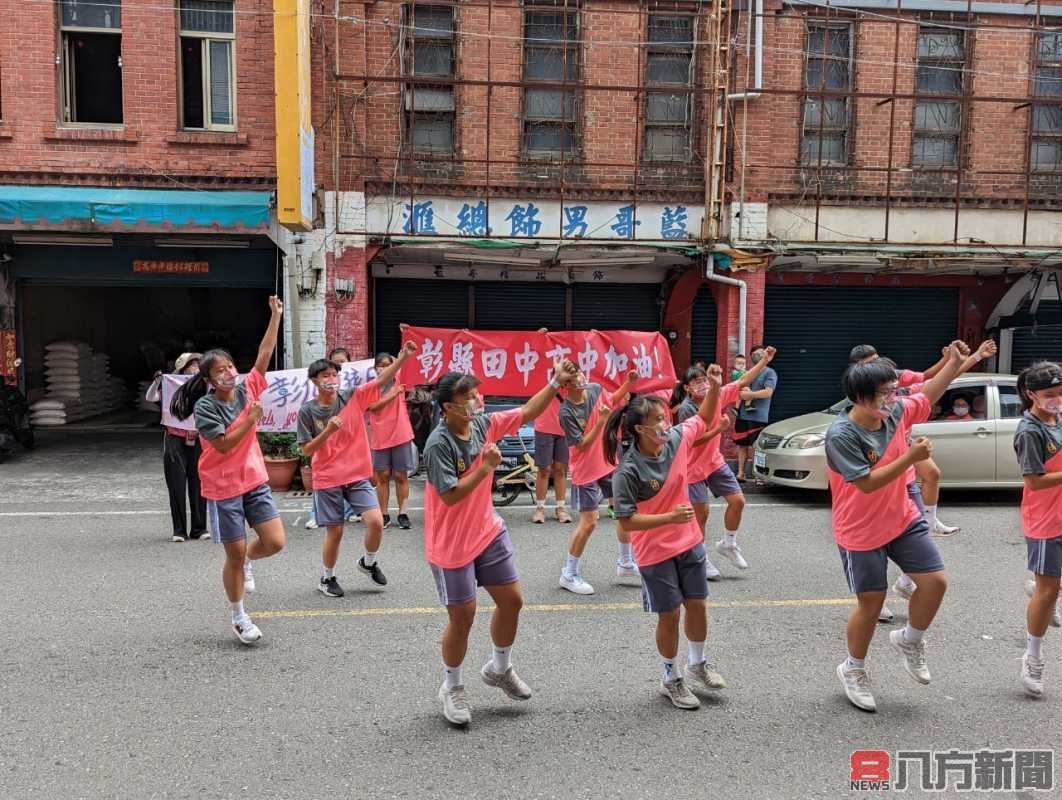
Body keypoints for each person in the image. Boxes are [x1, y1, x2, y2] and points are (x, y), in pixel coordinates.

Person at [424, 358, 579, 726]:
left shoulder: (482, 424)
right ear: (447, 407)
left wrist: (555, 383)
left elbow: (527, 411)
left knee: (512, 602)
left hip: (487, 531)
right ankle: (452, 687)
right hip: (451, 544)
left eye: (476, 392)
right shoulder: (438, 444)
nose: (477, 400)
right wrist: (484, 467)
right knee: (462, 618)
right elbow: (449, 496)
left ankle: (499, 667)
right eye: (468, 396)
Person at [826, 344, 964, 712]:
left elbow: (929, 392)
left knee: (935, 582)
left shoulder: (895, 410)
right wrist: (910, 456)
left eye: (893, 390)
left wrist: (952, 363)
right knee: (870, 605)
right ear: (859, 398)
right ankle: (853, 668)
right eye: (884, 394)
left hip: (902, 518)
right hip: (860, 528)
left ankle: (910, 639)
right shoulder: (841, 434)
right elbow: (867, 483)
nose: (893, 398)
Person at [608, 368, 730, 710]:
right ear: (639, 429)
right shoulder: (628, 471)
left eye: (665, 417)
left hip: (689, 542)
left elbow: (704, 417)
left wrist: (716, 388)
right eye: (658, 420)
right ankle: (670, 678)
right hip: (654, 552)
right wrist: (670, 517)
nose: (665, 423)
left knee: (698, 605)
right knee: (670, 615)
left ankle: (698, 663)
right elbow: (627, 521)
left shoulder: (676, 439)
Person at [170, 296, 286, 646]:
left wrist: (275, 317)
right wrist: (250, 419)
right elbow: (222, 445)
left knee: (275, 542)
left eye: (231, 366)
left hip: (254, 479)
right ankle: (238, 616)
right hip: (223, 487)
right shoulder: (206, 407)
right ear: (208, 379)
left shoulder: (247, 387)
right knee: (232, 555)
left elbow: (264, 355)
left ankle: (249, 560)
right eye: (220, 371)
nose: (229, 372)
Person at [298, 343, 416, 598]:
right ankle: (327, 578)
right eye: (325, 376)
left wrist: (404, 357)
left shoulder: (352, 396)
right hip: (328, 477)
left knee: (375, 522)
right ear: (314, 381)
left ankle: (368, 562)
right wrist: (328, 430)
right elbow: (306, 450)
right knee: (336, 530)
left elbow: (382, 378)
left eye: (334, 374)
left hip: (356, 474)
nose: (331, 380)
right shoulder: (308, 411)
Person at [674, 347, 777, 576]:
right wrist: (718, 429)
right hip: (692, 468)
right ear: (687, 388)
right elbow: (693, 441)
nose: (702, 385)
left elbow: (744, 380)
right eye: (696, 382)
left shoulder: (717, 394)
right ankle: (699, 559)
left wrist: (764, 363)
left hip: (714, 462)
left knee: (738, 501)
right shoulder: (686, 409)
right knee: (701, 515)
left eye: (704, 380)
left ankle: (728, 543)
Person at [557, 368, 640, 594]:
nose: (581, 378)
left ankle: (625, 563)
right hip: (586, 470)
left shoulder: (594, 389)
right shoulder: (566, 412)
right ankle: (569, 573)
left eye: (580, 373)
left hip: (608, 460)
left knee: (624, 512)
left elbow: (612, 400)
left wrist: (628, 383)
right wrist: (600, 421)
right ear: (565, 386)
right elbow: (581, 445)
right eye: (573, 378)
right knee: (590, 522)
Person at [1013, 361, 1062, 697]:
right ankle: (1032, 657)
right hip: (1047, 518)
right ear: (1031, 394)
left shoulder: (1059, 418)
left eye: (1061, 393)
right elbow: (1034, 481)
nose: (1057, 400)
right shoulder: (1030, 431)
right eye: (1049, 395)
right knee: (1048, 590)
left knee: (1050, 587)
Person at [146, 352, 207, 542]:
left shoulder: (206, 387)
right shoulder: (171, 385)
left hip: (198, 440)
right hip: (175, 440)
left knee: (198, 485)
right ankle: (179, 530)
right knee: (177, 485)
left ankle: (199, 528)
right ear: (182, 368)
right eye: (191, 365)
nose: (195, 369)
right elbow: (150, 397)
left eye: (198, 366)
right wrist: (157, 382)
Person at [367, 351, 416, 530]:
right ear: (375, 368)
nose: (384, 368)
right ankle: (384, 514)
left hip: (401, 433)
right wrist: (393, 394)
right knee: (383, 476)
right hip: (380, 435)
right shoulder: (372, 387)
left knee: (401, 475)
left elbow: (404, 358)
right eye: (381, 365)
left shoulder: (399, 380)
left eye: (388, 365)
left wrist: (405, 337)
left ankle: (403, 513)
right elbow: (373, 407)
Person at [734, 346, 778, 483]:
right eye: (754, 353)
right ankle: (741, 473)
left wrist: (750, 395)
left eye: (760, 352)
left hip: (759, 417)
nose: (757, 355)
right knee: (742, 445)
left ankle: (759, 475)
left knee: (758, 447)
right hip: (742, 415)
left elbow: (768, 392)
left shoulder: (769, 372)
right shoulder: (747, 373)